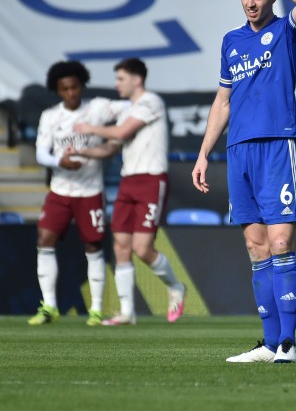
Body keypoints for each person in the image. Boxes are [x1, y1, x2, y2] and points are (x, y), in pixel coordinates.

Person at [191, 0, 296, 363]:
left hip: (277, 145)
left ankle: (288, 344)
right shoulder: (231, 41)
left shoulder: (286, 32)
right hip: (238, 150)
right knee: (255, 246)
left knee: (281, 243)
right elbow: (222, 101)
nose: (250, 2)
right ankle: (269, 343)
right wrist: (203, 153)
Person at [72, 58, 187, 326]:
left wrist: (89, 128)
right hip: (128, 181)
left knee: (142, 249)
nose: (117, 84)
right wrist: (80, 151)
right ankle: (127, 312)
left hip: (151, 180)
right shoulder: (127, 112)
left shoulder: (151, 102)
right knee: (121, 245)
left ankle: (176, 287)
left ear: (137, 79)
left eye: (121, 79)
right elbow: (110, 148)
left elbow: (123, 132)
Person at [28, 61, 126, 326]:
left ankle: (96, 309)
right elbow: (41, 153)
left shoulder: (97, 109)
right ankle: (49, 306)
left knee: (93, 246)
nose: (71, 93)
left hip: (90, 191)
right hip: (60, 190)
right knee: (44, 239)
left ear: (82, 85)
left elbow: (132, 107)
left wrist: (116, 136)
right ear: (57, 90)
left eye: (74, 87)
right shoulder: (50, 116)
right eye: (65, 89)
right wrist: (59, 161)